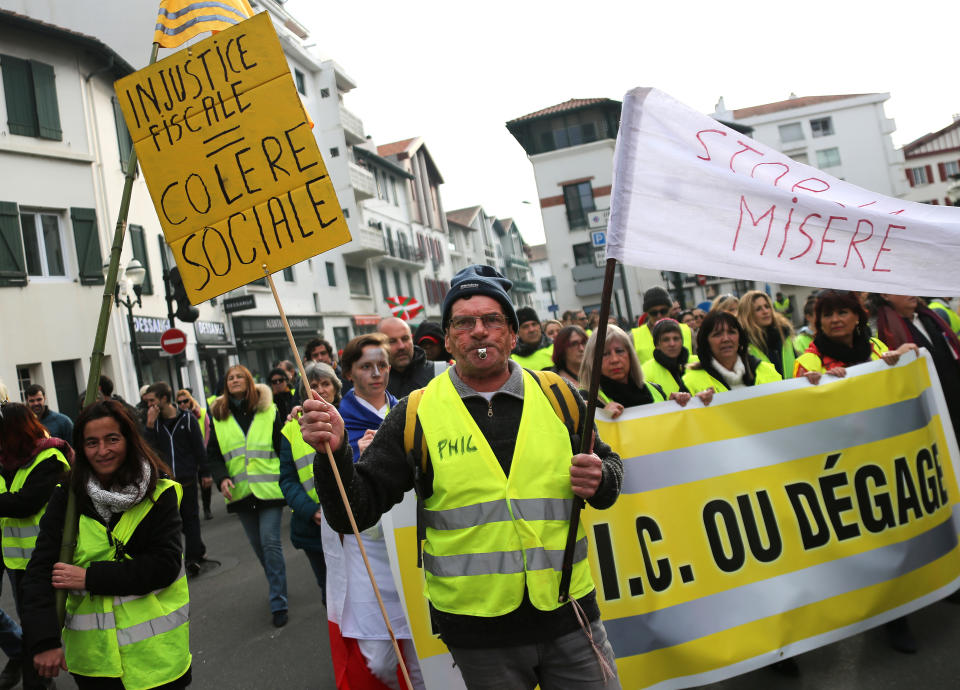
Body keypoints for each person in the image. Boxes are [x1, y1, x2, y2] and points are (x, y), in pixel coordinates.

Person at [301, 264, 623, 689]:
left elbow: (609, 470)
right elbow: (352, 514)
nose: (479, 331)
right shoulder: (414, 413)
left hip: (571, 619)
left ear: (511, 334)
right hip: (479, 637)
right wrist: (335, 454)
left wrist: (602, 478)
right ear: (448, 339)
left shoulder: (560, 397)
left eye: (492, 320)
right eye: (464, 322)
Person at [22, 399, 191, 689]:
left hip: (157, 662)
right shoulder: (68, 496)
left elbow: (164, 565)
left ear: (129, 439)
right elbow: (39, 571)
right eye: (91, 442)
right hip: (95, 665)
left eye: (112, 439)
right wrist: (44, 640)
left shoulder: (158, 492)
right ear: (81, 448)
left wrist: (89, 578)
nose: (102, 451)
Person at [325, 333, 423, 689]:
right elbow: (332, 484)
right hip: (368, 548)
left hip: (409, 541)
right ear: (349, 372)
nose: (377, 373)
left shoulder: (407, 411)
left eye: (382, 365)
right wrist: (353, 457)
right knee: (379, 657)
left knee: (421, 646)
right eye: (366, 366)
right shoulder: (338, 420)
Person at [207, 365, 289, 627]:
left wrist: (288, 478)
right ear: (225, 385)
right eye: (230, 377)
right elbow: (214, 454)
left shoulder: (268, 409)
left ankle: (279, 600)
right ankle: (277, 583)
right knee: (259, 548)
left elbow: (281, 446)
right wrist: (222, 478)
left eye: (239, 376)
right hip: (240, 493)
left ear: (249, 381)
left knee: (270, 542)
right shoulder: (219, 415)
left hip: (269, 489)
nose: (234, 380)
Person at [0, 403, 72, 690]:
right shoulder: (9, 461)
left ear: (13, 431)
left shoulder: (50, 459)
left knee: (41, 631)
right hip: (17, 561)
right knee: (34, 632)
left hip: (47, 561)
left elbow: (26, 503)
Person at [278, 362, 342, 608]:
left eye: (326, 383)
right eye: (313, 385)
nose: (320, 389)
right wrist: (310, 510)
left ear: (335, 387)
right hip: (313, 526)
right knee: (330, 592)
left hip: (352, 521)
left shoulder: (349, 416)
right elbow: (287, 479)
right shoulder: (291, 429)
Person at [143, 382, 210, 577]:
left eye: (152, 401)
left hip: (187, 478)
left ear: (164, 399)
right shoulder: (154, 423)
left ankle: (192, 560)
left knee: (190, 518)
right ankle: (198, 547)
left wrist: (205, 472)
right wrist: (149, 425)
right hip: (166, 482)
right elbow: (147, 449)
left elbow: (198, 447)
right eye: (146, 402)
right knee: (177, 522)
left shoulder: (187, 419)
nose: (149, 406)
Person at [874, 293, 960, 443]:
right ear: (885, 295)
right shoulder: (885, 331)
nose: (909, 292)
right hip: (930, 409)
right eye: (901, 289)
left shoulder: (929, 317)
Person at [794, 290, 915, 379]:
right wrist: (819, 384)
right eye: (827, 315)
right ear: (819, 322)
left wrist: (901, 357)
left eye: (842, 313)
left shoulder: (876, 346)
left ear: (857, 316)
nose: (835, 319)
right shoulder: (807, 362)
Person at [683, 311, 782, 400]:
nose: (726, 339)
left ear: (740, 338)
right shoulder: (690, 383)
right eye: (717, 334)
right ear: (706, 342)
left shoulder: (767, 371)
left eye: (731, 332)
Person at [580, 325, 676, 418]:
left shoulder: (655, 389)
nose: (614, 359)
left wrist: (675, 405)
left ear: (630, 355)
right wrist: (602, 418)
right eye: (605, 354)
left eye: (619, 351)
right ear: (593, 360)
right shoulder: (587, 399)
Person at [378, 317, 447, 399]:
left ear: (412, 339)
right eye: (392, 341)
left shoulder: (443, 371)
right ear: (379, 345)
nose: (401, 346)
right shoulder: (373, 382)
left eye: (405, 339)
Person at [738, 290, 796, 379]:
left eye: (767, 306)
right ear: (748, 315)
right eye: (758, 309)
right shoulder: (744, 345)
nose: (765, 311)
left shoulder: (784, 334)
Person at [641, 319, 701, 401]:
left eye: (676, 339)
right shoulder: (645, 371)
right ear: (657, 345)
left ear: (682, 341)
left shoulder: (699, 363)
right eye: (666, 340)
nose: (672, 344)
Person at [176, 390, 213, 520]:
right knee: (192, 486)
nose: (183, 404)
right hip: (188, 456)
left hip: (202, 450)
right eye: (179, 402)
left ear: (190, 400)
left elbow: (208, 430)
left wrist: (203, 447)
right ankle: (194, 511)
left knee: (205, 483)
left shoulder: (201, 413)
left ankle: (207, 507)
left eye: (185, 401)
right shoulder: (177, 418)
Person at [631, 287, 693, 365]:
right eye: (654, 312)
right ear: (647, 313)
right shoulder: (633, 337)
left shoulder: (688, 331)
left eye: (663, 311)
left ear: (670, 309)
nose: (659, 316)